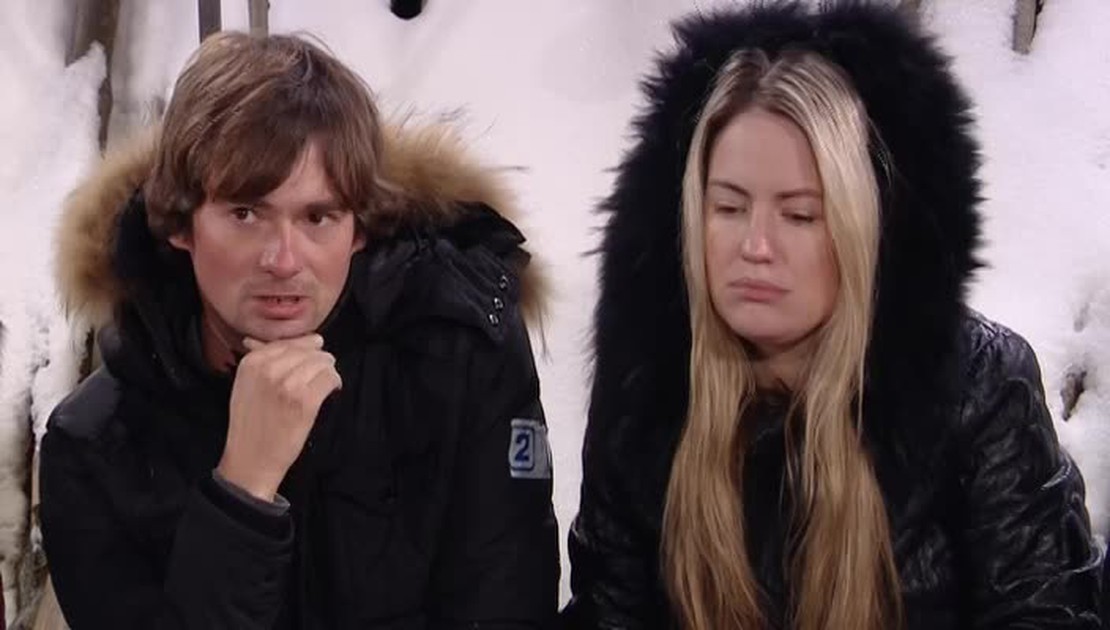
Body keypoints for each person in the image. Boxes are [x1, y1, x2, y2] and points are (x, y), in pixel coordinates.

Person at [563, 3, 1102, 629]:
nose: (755, 246)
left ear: (858, 226)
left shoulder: (977, 389)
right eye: (729, 208)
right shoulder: (646, 391)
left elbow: (1043, 612)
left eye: (799, 215)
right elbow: (610, 612)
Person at [41, 31, 559, 629]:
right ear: (179, 224)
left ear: (360, 229)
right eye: (245, 213)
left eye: (318, 216)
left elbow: (505, 605)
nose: (284, 260)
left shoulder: (458, 350)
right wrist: (242, 490)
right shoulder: (95, 450)